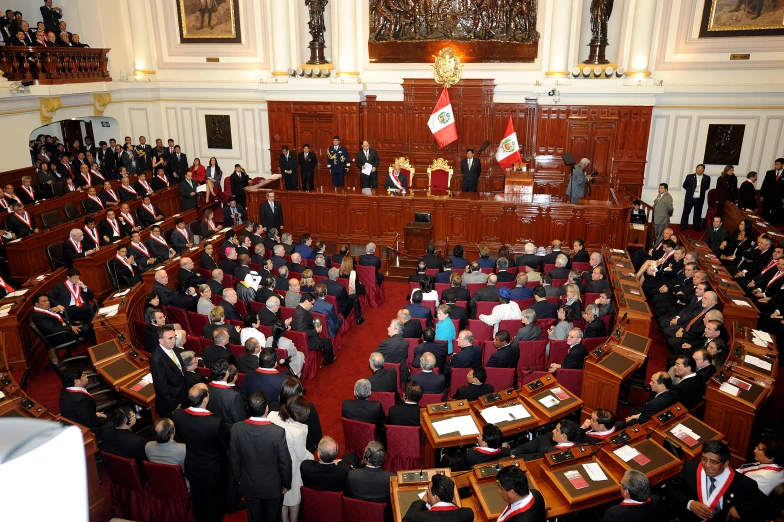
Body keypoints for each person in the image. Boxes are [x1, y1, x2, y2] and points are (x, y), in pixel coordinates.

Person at [670, 440, 776, 522]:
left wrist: (740, 509)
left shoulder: (744, 484)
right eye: (704, 459)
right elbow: (672, 490)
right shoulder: (690, 468)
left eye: (713, 462)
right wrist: (690, 503)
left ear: (725, 464)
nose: (707, 465)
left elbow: (771, 509)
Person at [172, 384, 230, 522]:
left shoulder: (178, 415)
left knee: (197, 498)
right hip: (213, 468)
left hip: (192, 464)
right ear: (205, 399)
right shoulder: (215, 422)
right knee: (214, 500)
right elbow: (226, 443)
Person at [269, 396, 314, 522]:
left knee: (283, 496)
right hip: (292, 466)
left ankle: (284, 519)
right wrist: (313, 457)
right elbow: (302, 455)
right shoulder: (297, 432)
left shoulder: (272, 415)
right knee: (293, 496)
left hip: (276, 462)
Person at [402, 473, 474, 521]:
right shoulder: (468, 514)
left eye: (429, 490)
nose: (427, 491)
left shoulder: (420, 518)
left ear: (436, 496)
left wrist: (421, 502)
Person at [150, 326, 186, 418]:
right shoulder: (157, 359)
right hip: (172, 404)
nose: (174, 340)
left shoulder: (173, 348)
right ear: (160, 340)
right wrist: (173, 405)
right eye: (170, 338)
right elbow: (161, 387)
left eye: (175, 337)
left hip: (182, 395)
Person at [58, 365, 109, 431]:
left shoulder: (65, 390)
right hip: (86, 430)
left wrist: (94, 414)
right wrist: (105, 418)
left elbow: (84, 413)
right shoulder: (81, 400)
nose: (86, 376)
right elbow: (91, 422)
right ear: (76, 381)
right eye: (83, 375)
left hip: (78, 420)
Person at [292, 293, 335, 364]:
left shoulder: (300, 308)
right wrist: (316, 331)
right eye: (312, 304)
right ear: (306, 301)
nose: (312, 306)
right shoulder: (300, 314)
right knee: (328, 342)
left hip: (309, 334)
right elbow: (302, 332)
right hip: (308, 341)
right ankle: (328, 360)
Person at [510, 419, 579, 461]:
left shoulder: (548, 451)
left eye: (557, 430)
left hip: (543, 458)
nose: (553, 431)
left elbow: (534, 460)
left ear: (563, 436)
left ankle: (513, 453)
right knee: (542, 438)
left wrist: (517, 457)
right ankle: (515, 451)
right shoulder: (578, 447)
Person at [680, 164, 711, 231]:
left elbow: (707, 187)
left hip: (699, 199)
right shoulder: (689, 177)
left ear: (703, 170)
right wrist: (691, 191)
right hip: (690, 198)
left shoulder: (707, 178)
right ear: (696, 169)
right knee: (686, 212)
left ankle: (696, 227)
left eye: (701, 168)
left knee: (698, 213)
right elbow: (685, 185)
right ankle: (683, 226)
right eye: (698, 168)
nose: (700, 169)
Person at [760, 158, 784, 224]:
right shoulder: (769, 173)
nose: (776, 165)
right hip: (768, 197)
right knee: (765, 212)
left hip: (778, 198)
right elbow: (764, 184)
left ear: (782, 165)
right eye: (775, 164)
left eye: (778, 164)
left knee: (775, 214)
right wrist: (762, 195)